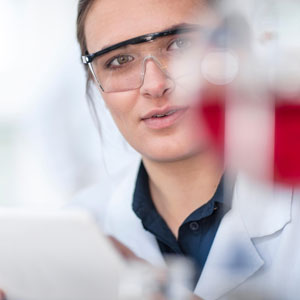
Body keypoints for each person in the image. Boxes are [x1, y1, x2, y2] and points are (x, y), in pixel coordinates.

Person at [76, 0, 300, 299]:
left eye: (180, 43)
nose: (155, 85)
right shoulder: (79, 226)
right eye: (119, 60)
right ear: (95, 82)